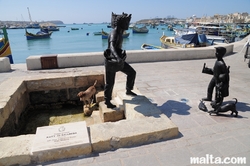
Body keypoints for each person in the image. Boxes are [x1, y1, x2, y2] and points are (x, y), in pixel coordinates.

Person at [104, 12, 137, 109]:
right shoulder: (114, 33)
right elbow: (112, 47)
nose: (127, 25)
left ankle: (128, 90)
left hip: (119, 60)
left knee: (132, 73)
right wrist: (118, 58)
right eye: (126, 22)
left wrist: (121, 56)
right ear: (121, 23)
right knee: (110, 83)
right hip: (112, 61)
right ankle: (107, 101)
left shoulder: (120, 33)